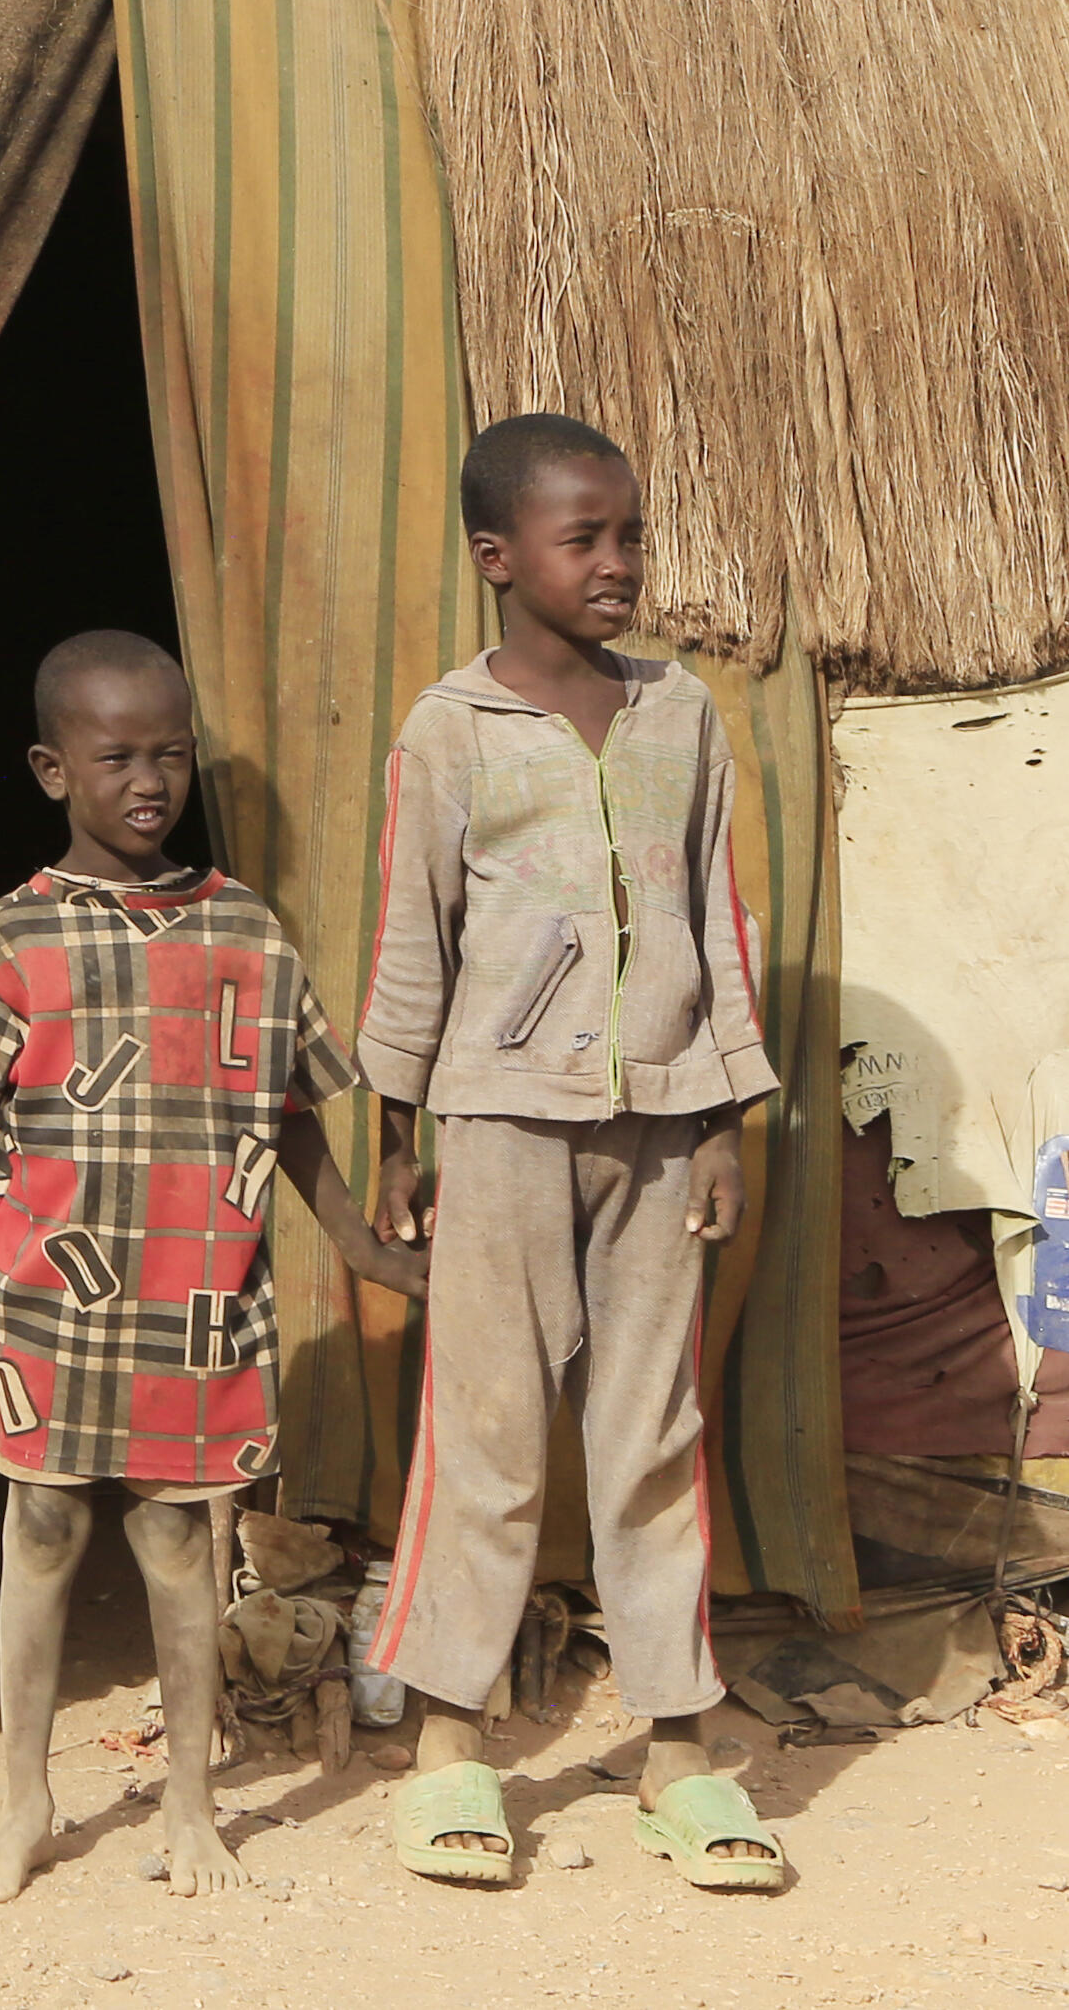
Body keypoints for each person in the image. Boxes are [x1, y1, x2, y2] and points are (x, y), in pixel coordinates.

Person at [359, 413, 789, 1892]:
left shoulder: (680, 714)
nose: (617, 564)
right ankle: (448, 1742)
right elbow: (412, 938)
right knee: (487, 1430)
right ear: (499, 557)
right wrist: (396, 1134)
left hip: (661, 1128)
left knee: (654, 1433)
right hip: (497, 1125)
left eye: (630, 536)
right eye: (582, 538)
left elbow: (719, 926)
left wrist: (723, 1116)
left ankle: (679, 1749)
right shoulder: (450, 729)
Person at [0, 631, 423, 1904]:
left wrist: (361, 1243)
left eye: (171, 753)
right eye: (115, 758)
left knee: (177, 1540)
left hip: (198, 1296)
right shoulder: (14, 932)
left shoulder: (247, 930)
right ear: (52, 770)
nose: (149, 781)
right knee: (43, 1524)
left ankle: (192, 1805)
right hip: (53, 1299)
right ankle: (25, 1800)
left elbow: (292, 1108)